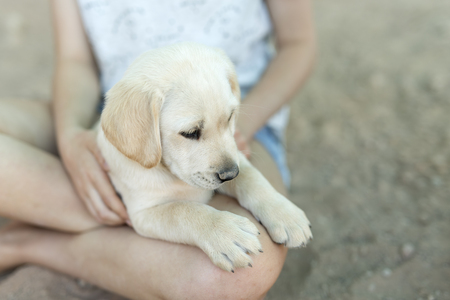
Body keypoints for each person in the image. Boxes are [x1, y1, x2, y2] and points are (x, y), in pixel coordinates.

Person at [0, 0, 316, 299]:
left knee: (248, 269)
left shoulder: (225, 126)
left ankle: (38, 235)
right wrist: (70, 135)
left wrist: (234, 124)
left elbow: (298, 42)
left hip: (244, 115)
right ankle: (88, 217)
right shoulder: (139, 122)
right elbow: (75, 60)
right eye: (192, 133)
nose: (225, 163)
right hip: (115, 109)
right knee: (197, 236)